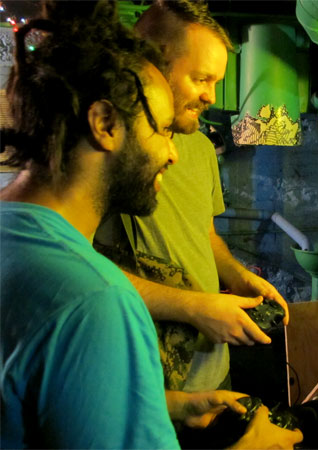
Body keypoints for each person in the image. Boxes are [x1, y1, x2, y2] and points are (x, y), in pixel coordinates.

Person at [0, 1, 302, 449]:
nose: (173, 152)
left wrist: (168, 405)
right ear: (105, 123)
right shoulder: (96, 302)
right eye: (160, 129)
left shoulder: (13, 231)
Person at [94, 0, 290, 394]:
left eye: (216, 82)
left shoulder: (199, 147)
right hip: (144, 384)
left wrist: (239, 277)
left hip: (211, 372)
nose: (211, 97)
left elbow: (205, 234)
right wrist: (195, 308)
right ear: (152, 62)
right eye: (201, 79)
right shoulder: (110, 151)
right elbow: (80, 273)